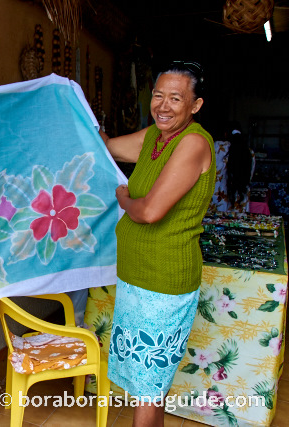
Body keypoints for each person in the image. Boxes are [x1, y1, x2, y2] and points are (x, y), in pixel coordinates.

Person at [99, 61, 216, 427]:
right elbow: (107, 147)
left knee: (149, 389)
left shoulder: (193, 143)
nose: (163, 106)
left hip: (163, 283)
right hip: (136, 277)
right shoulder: (153, 137)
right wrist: (76, 111)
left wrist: (123, 197)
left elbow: (149, 211)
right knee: (145, 385)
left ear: (194, 106)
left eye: (176, 98)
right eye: (158, 96)